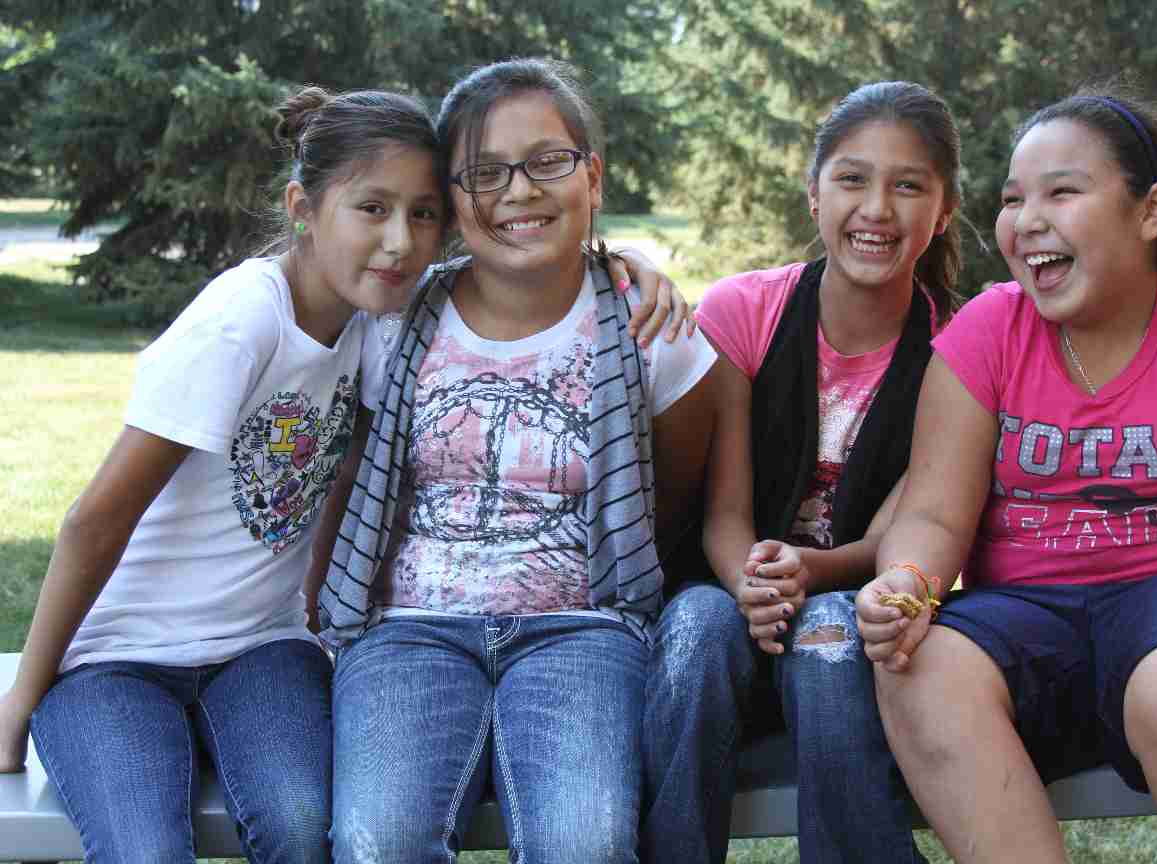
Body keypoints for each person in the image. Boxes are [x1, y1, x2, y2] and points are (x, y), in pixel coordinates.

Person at [0, 83, 686, 863]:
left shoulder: (377, 318)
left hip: (261, 651)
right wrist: (23, 695)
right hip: (119, 657)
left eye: (423, 213)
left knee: (299, 827)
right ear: (303, 206)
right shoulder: (240, 323)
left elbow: (524, 264)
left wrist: (620, 260)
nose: (399, 241)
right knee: (145, 851)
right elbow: (96, 519)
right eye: (372, 209)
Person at [858, 83, 1157, 864]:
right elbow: (933, 515)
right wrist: (909, 582)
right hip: (1030, 611)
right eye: (1014, 197)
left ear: (1151, 211)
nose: (1027, 221)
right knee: (918, 663)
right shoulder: (987, 332)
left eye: (1063, 192)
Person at [319, 57, 717, 864]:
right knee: (378, 842)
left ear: (592, 177)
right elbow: (349, 473)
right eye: (485, 173)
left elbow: (671, 501)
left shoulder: (647, 331)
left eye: (548, 162)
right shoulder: (396, 318)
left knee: (587, 843)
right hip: (409, 629)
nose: (521, 192)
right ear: (454, 196)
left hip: (582, 630)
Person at [641, 81, 961, 864]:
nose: (877, 208)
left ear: (944, 211)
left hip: (860, 588)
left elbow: (906, 529)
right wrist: (751, 579)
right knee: (693, 632)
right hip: (727, 579)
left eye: (908, 185)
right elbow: (723, 508)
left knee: (830, 641)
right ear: (814, 192)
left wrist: (812, 572)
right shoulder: (747, 310)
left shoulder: (958, 347)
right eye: (852, 179)